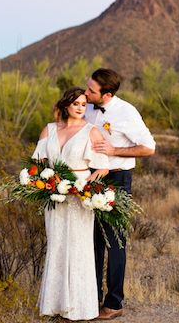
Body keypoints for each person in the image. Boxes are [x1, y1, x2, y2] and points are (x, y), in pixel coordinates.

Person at [84, 68, 155, 320]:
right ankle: (90, 299)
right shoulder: (87, 106)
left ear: (107, 94)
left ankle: (114, 303)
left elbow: (149, 148)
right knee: (92, 241)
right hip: (89, 178)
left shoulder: (126, 112)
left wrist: (115, 150)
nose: (86, 92)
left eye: (91, 90)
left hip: (117, 179)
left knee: (115, 242)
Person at [33, 87, 110, 321]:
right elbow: (38, 160)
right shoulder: (50, 129)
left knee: (78, 247)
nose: (80, 107)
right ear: (66, 105)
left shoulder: (92, 131)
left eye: (83, 103)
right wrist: (46, 180)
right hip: (54, 194)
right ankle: (54, 304)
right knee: (56, 244)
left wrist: (86, 187)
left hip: (79, 197)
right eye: (75, 103)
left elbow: (103, 166)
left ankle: (79, 307)